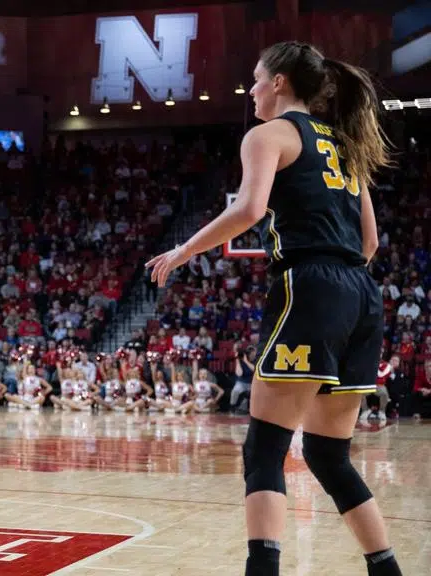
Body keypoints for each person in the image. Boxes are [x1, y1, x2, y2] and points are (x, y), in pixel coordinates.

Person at [147, 41, 399, 575]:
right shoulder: (348, 145)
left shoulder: (267, 135)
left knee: (265, 448)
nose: (252, 90)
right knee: (329, 456)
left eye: (256, 79)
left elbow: (250, 209)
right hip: (361, 293)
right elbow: (371, 241)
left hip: (310, 286)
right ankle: (387, 569)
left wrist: (183, 250)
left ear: (280, 82)